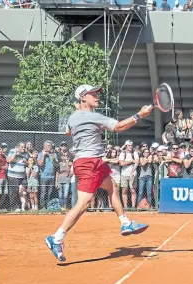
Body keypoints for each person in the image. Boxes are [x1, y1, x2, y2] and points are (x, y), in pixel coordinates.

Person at [45, 85, 153, 262]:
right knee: (83, 204)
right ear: (82, 98)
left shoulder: (73, 118)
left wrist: (78, 112)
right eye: (92, 94)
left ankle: (125, 223)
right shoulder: (92, 116)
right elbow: (118, 127)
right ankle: (56, 238)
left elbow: (68, 132)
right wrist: (139, 115)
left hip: (94, 161)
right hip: (88, 163)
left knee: (113, 187)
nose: (97, 96)